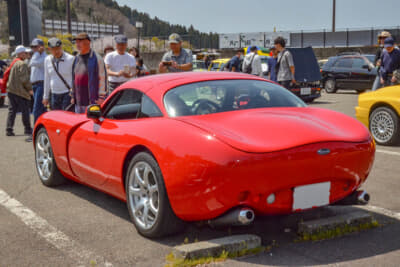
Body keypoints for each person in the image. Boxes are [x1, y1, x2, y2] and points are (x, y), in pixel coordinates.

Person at [71, 32, 107, 114]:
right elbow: (73, 77)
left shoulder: (97, 58)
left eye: (80, 41)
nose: (77, 44)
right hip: (78, 101)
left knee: (90, 124)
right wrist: (73, 95)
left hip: (92, 100)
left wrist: (101, 97)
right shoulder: (76, 58)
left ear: (88, 42)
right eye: (76, 42)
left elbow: (102, 78)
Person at [5, 46, 33, 137]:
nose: (26, 54)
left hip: (11, 90)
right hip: (20, 91)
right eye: (25, 53)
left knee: (12, 110)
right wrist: (29, 89)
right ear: (21, 53)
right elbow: (24, 79)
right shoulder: (22, 64)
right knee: (25, 111)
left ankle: (9, 129)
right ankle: (27, 129)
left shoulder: (13, 63)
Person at [43, 38, 75, 111]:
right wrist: (45, 97)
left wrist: (74, 94)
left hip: (67, 93)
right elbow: (47, 78)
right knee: (56, 117)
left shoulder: (71, 59)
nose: (56, 51)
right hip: (54, 94)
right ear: (49, 49)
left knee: (66, 117)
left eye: (58, 48)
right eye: (53, 49)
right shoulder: (47, 60)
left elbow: (75, 77)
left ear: (61, 47)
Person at [29, 38, 47, 124]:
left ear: (41, 47)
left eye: (36, 47)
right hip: (35, 85)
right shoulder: (37, 56)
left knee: (37, 108)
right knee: (41, 108)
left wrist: (37, 53)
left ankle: (35, 132)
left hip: (41, 84)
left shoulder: (44, 57)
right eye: (32, 47)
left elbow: (32, 63)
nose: (34, 49)